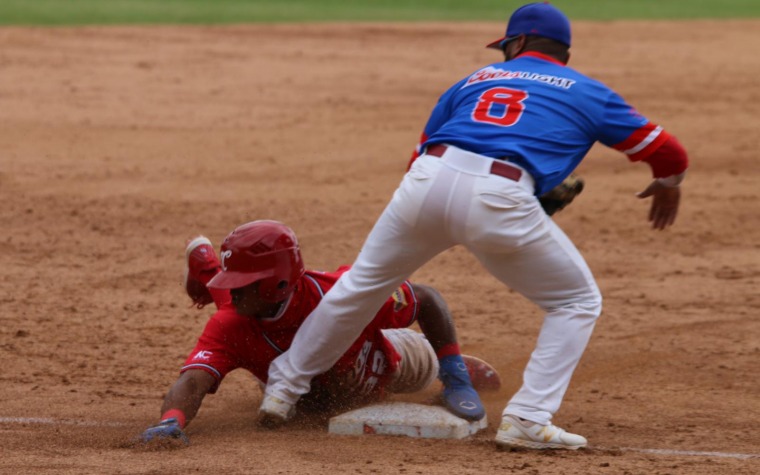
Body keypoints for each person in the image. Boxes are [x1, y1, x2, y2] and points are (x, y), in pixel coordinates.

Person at [259, 2, 689, 451]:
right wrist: (667, 183)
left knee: (362, 285)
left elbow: (418, 155)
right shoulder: (588, 91)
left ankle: (283, 389)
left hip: (425, 181)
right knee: (576, 301)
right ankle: (528, 418)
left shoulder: (472, 81)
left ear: (518, 43)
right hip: (500, 196)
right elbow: (670, 154)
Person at [139, 220, 499, 445]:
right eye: (229, 280)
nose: (233, 289)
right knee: (234, 318)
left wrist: (453, 373)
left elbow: (427, 298)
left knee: (424, 368)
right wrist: (171, 422)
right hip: (288, 384)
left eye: (242, 282)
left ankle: (206, 267)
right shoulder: (233, 320)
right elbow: (192, 382)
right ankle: (208, 268)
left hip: (388, 360)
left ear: (278, 281)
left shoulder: (344, 292)